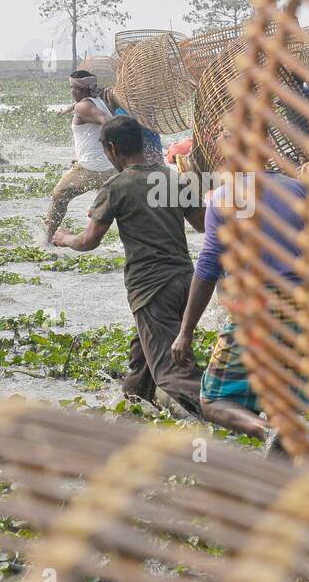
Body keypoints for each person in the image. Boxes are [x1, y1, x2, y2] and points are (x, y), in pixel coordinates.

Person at [52, 116, 207, 418]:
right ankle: (132, 408)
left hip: (151, 288)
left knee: (170, 373)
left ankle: (231, 418)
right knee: (143, 356)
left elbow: (89, 241)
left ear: (112, 149)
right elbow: (203, 225)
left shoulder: (117, 186)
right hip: (187, 283)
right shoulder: (172, 178)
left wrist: (65, 238)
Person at [172, 169, 309, 441]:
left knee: (213, 398)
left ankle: (267, 432)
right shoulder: (301, 190)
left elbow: (207, 268)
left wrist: (185, 331)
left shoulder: (223, 198)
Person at [43, 70, 116, 240]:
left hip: (90, 169)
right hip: (110, 168)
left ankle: (47, 238)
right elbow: (80, 106)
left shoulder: (84, 107)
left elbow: (107, 121)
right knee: (113, 206)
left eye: (72, 88)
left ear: (80, 89)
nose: (71, 91)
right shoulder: (98, 101)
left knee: (59, 195)